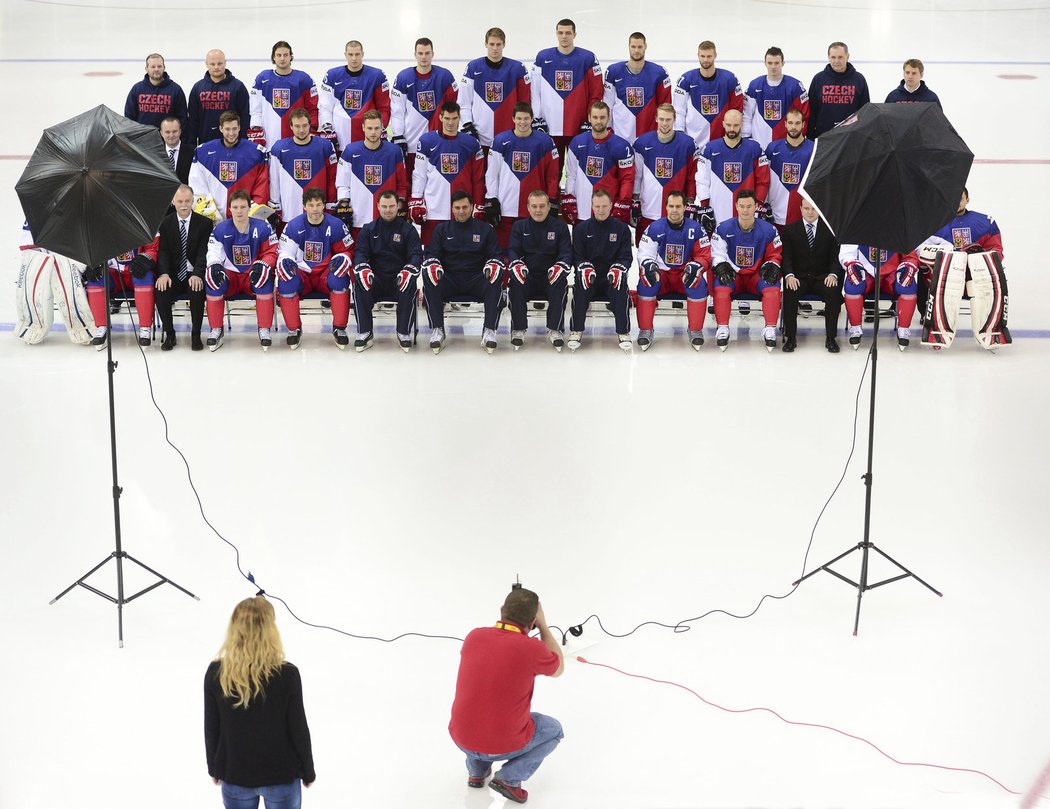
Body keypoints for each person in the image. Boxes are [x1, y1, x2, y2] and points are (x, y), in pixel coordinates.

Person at [449, 587, 564, 805]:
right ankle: (509, 779)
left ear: (501, 610)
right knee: (554, 730)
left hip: (461, 738)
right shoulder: (531, 648)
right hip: (502, 744)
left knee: (481, 710)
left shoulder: (474, 636)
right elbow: (559, 669)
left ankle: (477, 772)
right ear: (532, 622)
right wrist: (544, 626)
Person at [205, 595, 315, 809]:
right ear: (271, 631)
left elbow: (212, 728)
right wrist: (308, 771)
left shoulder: (216, 673)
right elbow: (298, 729)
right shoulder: (287, 675)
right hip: (281, 776)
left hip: (235, 775)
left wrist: (214, 768)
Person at [918, 188, 1010, 350]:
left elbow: (997, 251)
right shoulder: (932, 222)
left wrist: (978, 257)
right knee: (941, 280)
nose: (956, 202)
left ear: (968, 199)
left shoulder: (985, 222)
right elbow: (920, 251)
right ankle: (936, 327)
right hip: (945, 274)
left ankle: (990, 329)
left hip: (975, 275)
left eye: (960, 198)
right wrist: (952, 255)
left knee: (992, 278)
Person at [421, 190, 505, 354]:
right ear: (452, 208)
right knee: (429, 277)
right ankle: (438, 329)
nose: (461, 211)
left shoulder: (485, 229)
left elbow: (496, 256)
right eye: (457, 207)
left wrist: (493, 265)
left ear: (472, 207)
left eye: (465, 207)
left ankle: (489, 330)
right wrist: (433, 265)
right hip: (449, 278)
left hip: (476, 278)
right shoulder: (441, 229)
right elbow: (432, 255)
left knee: (495, 280)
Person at [276, 187, 355, 349]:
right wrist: (285, 260)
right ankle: (294, 329)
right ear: (304, 206)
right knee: (286, 281)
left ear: (324, 205)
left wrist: (344, 257)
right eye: (311, 205)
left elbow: (348, 250)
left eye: (318, 205)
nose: (315, 209)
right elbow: (284, 252)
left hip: (325, 275)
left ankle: (339, 328)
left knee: (340, 278)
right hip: (303, 276)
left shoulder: (336, 225)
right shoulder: (293, 226)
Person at [635, 191, 712, 351]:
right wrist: (648, 265)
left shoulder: (696, 229)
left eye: (678, 206)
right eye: (671, 206)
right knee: (646, 282)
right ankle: (645, 329)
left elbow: (704, 255)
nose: (674, 210)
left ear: (685, 207)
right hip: (662, 276)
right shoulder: (654, 227)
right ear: (666, 207)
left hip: (684, 275)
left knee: (699, 283)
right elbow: (644, 253)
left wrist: (697, 266)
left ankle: (695, 329)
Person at [204, 189, 278, 351]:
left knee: (264, 281)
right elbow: (213, 251)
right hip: (231, 275)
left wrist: (264, 264)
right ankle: (216, 328)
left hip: (252, 273)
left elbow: (272, 251)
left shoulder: (263, 227)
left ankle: (264, 329)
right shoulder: (220, 229)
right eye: (235, 207)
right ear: (229, 209)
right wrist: (215, 264)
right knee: (213, 281)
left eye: (243, 207)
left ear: (249, 207)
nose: (239, 211)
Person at [709, 189, 783, 351]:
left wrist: (772, 264)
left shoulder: (769, 230)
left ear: (756, 206)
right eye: (742, 206)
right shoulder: (723, 228)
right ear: (736, 206)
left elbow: (775, 254)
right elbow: (717, 252)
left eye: (749, 206)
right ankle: (722, 327)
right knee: (721, 286)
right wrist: (721, 264)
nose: (745, 210)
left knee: (772, 285)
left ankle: (770, 328)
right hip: (733, 274)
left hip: (756, 275)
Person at [351, 190, 424, 352]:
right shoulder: (369, 229)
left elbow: (416, 255)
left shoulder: (408, 230)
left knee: (409, 285)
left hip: (398, 278)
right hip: (375, 278)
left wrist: (409, 270)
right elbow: (360, 253)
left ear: (398, 206)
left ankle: (403, 332)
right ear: (378, 206)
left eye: (391, 206)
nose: (388, 210)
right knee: (359, 285)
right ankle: (365, 332)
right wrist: (363, 267)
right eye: (384, 206)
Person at [409, 101, 486, 246]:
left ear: (459, 118)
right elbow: (419, 174)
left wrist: (478, 204)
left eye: (454, 118)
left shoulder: (472, 143)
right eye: (447, 118)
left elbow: (478, 178)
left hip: (462, 210)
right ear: (440, 118)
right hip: (433, 208)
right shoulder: (426, 141)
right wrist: (416, 199)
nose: (451, 123)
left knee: (463, 254)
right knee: (432, 254)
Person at [486, 103, 561, 250]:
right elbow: (492, 174)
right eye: (519, 118)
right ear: (513, 118)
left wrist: (552, 201)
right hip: (506, 207)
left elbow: (553, 176)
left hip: (535, 210)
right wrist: (491, 199)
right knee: (505, 253)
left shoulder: (545, 142)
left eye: (526, 118)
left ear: (532, 119)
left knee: (533, 254)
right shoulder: (500, 141)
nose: (522, 122)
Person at [567, 189, 633, 352]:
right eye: (597, 206)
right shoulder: (581, 229)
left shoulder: (622, 229)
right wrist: (584, 267)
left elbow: (626, 256)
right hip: (589, 277)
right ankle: (576, 330)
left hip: (611, 277)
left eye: (604, 206)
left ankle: (623, 332)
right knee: (580, 288)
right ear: (592, 206)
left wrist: (619, 268)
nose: (601, 210)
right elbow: (577, 257)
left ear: (611, 206)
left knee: (621, 287)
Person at [531, 18, 604, 163]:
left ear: (574, 34)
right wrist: (537, 118)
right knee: (553, 171)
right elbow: (535, 91)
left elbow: (596, 93)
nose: (564, 36)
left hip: (579, 126)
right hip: (550, 126)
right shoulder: (542, 57)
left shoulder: (588, 58)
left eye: (568, 33)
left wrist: (590, 119)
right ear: (556, 34)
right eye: (561, 33)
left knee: (579, 170)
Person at [507, 190, 572, 350]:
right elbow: (513, 250)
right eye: (534, 206)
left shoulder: (560, 227)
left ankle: (555, 329)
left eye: (542, 206)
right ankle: (519, 328)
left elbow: (566, 252)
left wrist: (560, 266)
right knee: (515, 284)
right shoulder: (519, 226)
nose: (538, 210)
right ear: (528, 207)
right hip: (527, 274)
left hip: (550, 274)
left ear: (549, 207)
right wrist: (516, 264)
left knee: (559, 284)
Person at [632, 103, 700, 246]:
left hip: (676, 212)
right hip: (648, 209)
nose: (664, 123)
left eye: (668, 119)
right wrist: (635, 199)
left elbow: (691, 176)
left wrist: (690, 201)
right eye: (661, 119)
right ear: (656, 118)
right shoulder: (641, 142)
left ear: (674, 119)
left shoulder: (687, 144)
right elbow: (637, 175)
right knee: (645, 255)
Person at [779, 198, 842, 352]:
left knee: (833, 291)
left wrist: (833, 274)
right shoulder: (789, 230)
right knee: (790, 291)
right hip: (798, 278)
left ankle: (831, 338)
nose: (810, 212)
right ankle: (791, 338)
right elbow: (786, 257)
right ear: (800, 209)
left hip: (822, 278)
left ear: (819, 210)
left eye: (813, 209)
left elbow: (835, 258)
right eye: (806, 208)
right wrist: (789, 276)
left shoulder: (830, 231)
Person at [390, 38, 459, 176]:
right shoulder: (403, 77)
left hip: (439, 141)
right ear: (414, 54)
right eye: (420, 53)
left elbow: (455, 108)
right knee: (412, 181)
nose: (424, 57)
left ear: (433, 54)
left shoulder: (445, 76)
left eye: (427, 53)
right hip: (411, 143)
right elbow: (397, 111)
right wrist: (398, 136)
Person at [155, 185, 212, 351]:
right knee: (161, 289)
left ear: (193, 200)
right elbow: (163, 252)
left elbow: (204, 253)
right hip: (173, 273)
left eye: (187, 200)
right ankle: (170, 334)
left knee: (196, 288)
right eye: (180, 201)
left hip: (193, 272)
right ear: (173, 202)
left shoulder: (204, 224)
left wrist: (197, 274)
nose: (184, 205)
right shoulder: (165, 223)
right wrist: (164, 274)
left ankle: (195, 334)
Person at [694, 108, 771, 232]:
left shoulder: (755, 149)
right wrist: (705, 207)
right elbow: (702, 180)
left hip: (746, 214)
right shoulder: (709, 149)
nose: (731, 129)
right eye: (729, 125)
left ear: (742, 124)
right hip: (717, 212)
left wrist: (758, 206)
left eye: (736, 125)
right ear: (723, 123)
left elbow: (763, 181)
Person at [335, 109, 408, 237]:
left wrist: (399, 208)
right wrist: (344, 206)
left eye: (376, 128)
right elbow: (342, 183)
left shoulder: (394, 151)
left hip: (387, 220)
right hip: (359, 219)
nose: (373, 132)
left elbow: (401, 184)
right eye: (369, 128)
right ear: (363, 127)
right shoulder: (350, 151)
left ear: (382, 128)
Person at [457, 27, 532, 150]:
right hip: (480, 137)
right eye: (491, 44)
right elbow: (464, 102)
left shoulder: (518, 68)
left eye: (498, 44)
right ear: (486, 44)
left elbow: (525, 103)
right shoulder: (473, 67)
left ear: (504, 45)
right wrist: (467, 125)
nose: (495, 48)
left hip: (510, 136)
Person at [562, 101, 634, 227]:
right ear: (589, 117)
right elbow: (571, 175)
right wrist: (570, 199)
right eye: (595, 117)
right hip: (582, 211)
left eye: (602, 117)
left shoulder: (622, 146)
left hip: (608, 212)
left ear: (609, 118)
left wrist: (622, 204)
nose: (598, 121)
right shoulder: (577, 142)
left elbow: (627, 180)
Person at [189, 111, 270, 218]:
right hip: (213, 220)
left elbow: (261, 189)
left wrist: (250, 216)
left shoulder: (256, 153)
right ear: (221, 128)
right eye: (227, 129)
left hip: (244, 219)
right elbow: (197, 187)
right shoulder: (202, 152)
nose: (231, 133)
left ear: (239, 128)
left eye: (234, 129)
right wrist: (209, 213)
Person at [840, 244, 919, 350]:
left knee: (908, 285)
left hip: (891, 275)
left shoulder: (899, 229)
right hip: (866, 273)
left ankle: (903, 329)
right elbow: (847, 252)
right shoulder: (856, 228)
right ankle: (855, 328)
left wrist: (909, 265)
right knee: (853, 285)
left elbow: (910, 255)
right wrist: (851, 264)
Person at [269, 108, 338, 228]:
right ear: (291, 126)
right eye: (297, 126)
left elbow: (332, 178)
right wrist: (275, 205)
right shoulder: (278, 148)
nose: (301, 130)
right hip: (289, 210)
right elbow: (274, 179)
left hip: (317, 211)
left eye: (305, 125)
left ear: (310, 125)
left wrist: (331, 204)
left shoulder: (325, 146)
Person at [83, 241, 159, 349]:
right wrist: (94, 263)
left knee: (144, 276)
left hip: (136, 270)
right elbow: (95, 249)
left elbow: (152, 248)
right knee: (95, 280)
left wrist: (147, 258)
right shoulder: (103, 229)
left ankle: (145, 328)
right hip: (114, 273)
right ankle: (101, 326)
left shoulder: (144, 224)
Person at [319, 40, 391, 152]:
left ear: (363, 54)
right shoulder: (332, 75)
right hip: (340, 137)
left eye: (357, 54)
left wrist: (380, 128)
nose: (354, 58)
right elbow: (325, 106)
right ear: (345, 55)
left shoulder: (377, 76)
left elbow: (384, 108)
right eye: (350, 54)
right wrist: (328, 129)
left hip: (368, 138)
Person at [673, 40, 746, 150]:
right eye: (702, 56)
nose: (705, 60)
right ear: (698, 56)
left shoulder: (730, 79)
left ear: (715, 56)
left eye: (709, 56)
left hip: (722, 143)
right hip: (694, 142)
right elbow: (679, 111)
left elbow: (737, 111)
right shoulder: (686, 80)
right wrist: (680, 135)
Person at [603, 31, 673, 145]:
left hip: (649, 138)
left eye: (640, 47)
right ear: (628, 46)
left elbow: (665, 108)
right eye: (633, 46)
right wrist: (608, 130)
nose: (636, 50)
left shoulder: (659, 73)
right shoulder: (613, 72)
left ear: (646, 46)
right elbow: (607, 106)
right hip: (620, 136)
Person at [248, 41, 319, 149]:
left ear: (291, 57)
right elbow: (256, 110)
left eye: (285, 55)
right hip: (269, 138)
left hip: (297, 139)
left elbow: (312, 109)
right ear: (274, 57)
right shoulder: (262, 79)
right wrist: (256, 131)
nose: (282, 58)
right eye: (279, 55)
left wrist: (312, 129)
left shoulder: (304, 79)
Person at [744, 47, 809, 149]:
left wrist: (799, 140)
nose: (773, 66)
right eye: (770, 63)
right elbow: (746, 115)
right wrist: (746, 138)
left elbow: (804, 115)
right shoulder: (755, 85)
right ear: (765, 63)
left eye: (776, 63)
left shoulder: (795, 86)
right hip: (759, 143)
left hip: (786, 145)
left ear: (782, 63)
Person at [186, 49, 251, 146]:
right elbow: (193, 120)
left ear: (225, 63)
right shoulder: (198, 88)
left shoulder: (238, 87)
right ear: (206, 64)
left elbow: (245, 117)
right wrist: (191, 146)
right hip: (205, 143)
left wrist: (243, 143)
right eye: (212, 64)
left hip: (232, 144)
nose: (216, 67)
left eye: (220, 63)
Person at [807, 42, 869, 139]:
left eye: (840, 57)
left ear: (847, 57)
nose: (836, 61)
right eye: (833, 57)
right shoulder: (819, 79)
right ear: (828, 57)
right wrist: (810, 137)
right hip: (824, 137)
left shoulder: (859, 79)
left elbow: (865, 111)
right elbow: (812, 110)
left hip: (850, 137)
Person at [764, 108, 814, 227]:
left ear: (803, 124)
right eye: (790, 123)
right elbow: (764, 179)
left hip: (802, 216)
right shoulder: (772, 148)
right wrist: (764, 205)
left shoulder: (814, 149)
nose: (793, 127)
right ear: (785, 124)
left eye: (797, 123)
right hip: (775, 214)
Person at [124, 53, 187, 131]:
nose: (156, 69)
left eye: (159, 66)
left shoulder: (175, 90)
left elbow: (182, 119)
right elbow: (129, 118)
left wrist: (183, 141)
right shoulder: (137, 89)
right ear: (146, 69)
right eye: (153, 66)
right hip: (142, 140)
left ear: (164, 67)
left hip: (168, 139)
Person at [159, 116, 193, 184]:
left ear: (180, 131)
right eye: (167, 132)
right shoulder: (155, 153)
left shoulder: (192, 152)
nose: (171, 135)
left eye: (174, 131)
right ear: (161, 133)